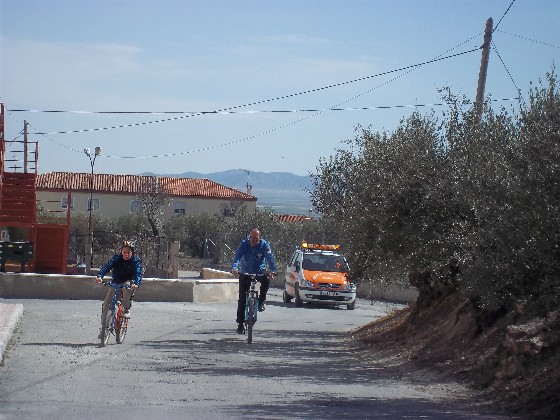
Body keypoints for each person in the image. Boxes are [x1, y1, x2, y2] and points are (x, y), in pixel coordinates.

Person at [231, 228, 277, 334]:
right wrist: (234, 268)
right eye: (251, 237)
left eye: (255, 238)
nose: (253, 240)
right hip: (245, 272)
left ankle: (261, 302)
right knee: (242, 299)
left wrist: (273, 270)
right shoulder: (244, 244)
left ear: (260, 238)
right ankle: (240, 324)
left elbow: (270, 258)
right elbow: (237, 257)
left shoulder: (264, 245)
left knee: (266, 280)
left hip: (259, 271)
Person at [95, 240, 142, 337]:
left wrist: (136, 283)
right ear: (121, 252)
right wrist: (100, 276)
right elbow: (107, 266)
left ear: (132, 253)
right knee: (106, 304)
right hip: (116, 282)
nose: (126, 254)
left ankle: (126, 309)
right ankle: (104, 328)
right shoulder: (117, 258)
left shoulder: (135, 261)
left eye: (128, 252)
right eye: (124, 252)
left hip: (128, 282)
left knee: (127, 288)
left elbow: (138, 273)